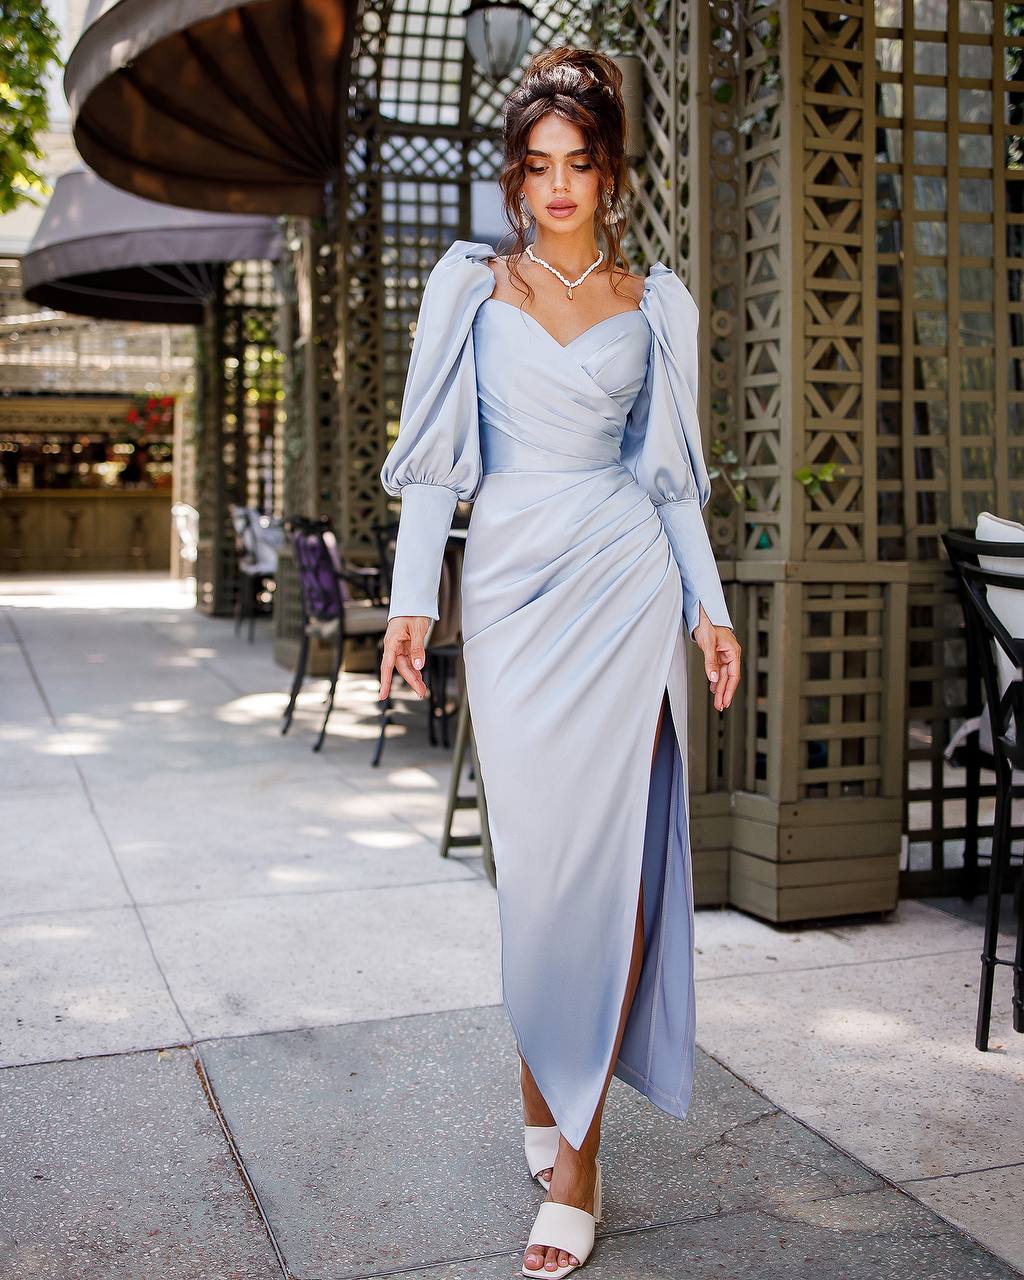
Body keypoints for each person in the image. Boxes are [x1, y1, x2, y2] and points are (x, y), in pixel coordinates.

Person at [378, 47, 741, 1279]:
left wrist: (711, 607)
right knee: (534, 871)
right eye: (537, 167)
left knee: (616, 867)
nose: (557, 187)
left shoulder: (656, 303)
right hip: (516, 587)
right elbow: (436, 459)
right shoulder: (469, 289)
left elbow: (670, 479)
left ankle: (579, 1152)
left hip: (625, 581)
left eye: (578, 164)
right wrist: (408, 605)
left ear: (609, 172)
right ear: (515, 179)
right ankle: (546, 1068)